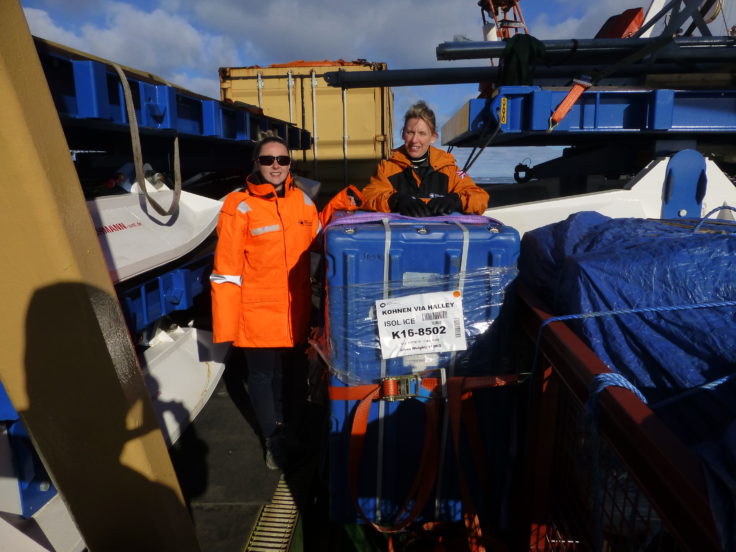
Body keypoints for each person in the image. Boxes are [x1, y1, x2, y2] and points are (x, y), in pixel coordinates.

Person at [209, 135, 320, 471]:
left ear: (290, 165)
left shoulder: (303, 203)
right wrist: (227, 327)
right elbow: (226, 269)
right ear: (255, 163)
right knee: (263, 376)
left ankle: (293, 430)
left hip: (295, 308)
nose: (276, 166)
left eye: (282, 161)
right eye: (268, 160)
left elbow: (321, 247)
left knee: (295, 375)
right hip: (257, 310)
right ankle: (273, 438)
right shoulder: (238, 206)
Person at [361, 101, 489, 217]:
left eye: (422, 133)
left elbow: (480, 197)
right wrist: (395, 200)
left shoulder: (449, 168)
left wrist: (456, 200)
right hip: (400, 235)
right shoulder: (386, 167)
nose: (414, 140)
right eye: (410, 132)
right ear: (403, 134)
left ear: (433, 137)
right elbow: (369, 195)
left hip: (438, 236)